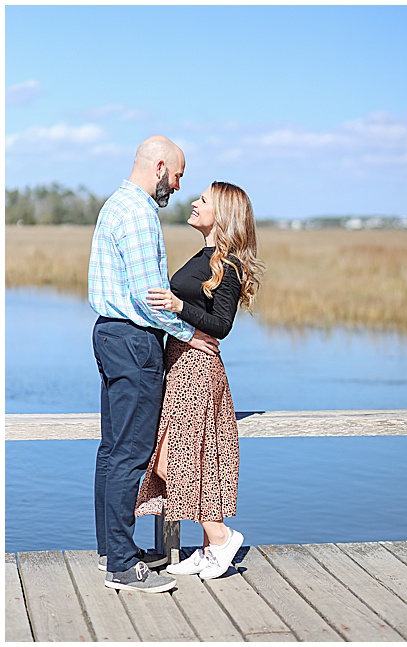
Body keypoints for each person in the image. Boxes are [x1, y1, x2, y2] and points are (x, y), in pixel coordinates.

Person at [89, 135, 220, 593]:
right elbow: (150, 299)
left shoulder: (114, 204)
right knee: (131, 453)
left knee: (112, 449)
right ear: (160, 166)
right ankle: (123, 567)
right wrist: (192, 335)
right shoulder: (140, 213)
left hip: (108, 333)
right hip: (133, 341)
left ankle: (112, 549)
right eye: (179, 175)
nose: (179, 186)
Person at [135, 181, 264, 580]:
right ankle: (211, 550)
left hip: (197, 367)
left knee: (169, 459)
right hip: (181, 363)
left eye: (204, 200)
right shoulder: (205, 255)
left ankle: (220, 537)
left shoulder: (227, 265)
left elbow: (222, 326)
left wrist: (176, 306)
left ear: (222, 214)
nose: (194, 202)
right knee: (195, 460)